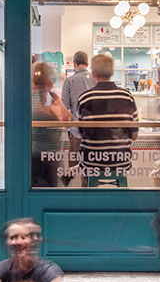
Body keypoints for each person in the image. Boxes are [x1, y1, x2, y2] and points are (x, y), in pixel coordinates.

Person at [77, 52, 139, 186]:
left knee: (84, 174)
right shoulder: (127, 96)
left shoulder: (85, 98)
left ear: (93, 74)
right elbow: (134, 136)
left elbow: (81, 134)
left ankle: (88, 202)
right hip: (121, 160)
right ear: (111, 73)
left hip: (91, 161)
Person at [30, 61, 71, 187]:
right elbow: (67, 120)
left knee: (35, 191)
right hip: (48, 155)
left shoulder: (33, 98)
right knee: (49, 191)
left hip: (36, 154)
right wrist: (58, 101)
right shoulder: (50, 98)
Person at [59, 51, 94, 182]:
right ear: (87, 64)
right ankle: (87, 191)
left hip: (76, 130)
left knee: (73, 163)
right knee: (89, 164)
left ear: (74, 64)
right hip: (93, 132)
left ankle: (73, 194)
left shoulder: (69, 81)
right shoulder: (96, 80)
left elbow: (64, 106)